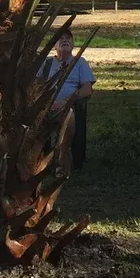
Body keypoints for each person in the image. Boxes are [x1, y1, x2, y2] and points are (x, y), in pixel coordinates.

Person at [42, 27, 94, 171]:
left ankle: (67, 160)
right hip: (46, 107)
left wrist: (66, 102)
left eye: (68, 39)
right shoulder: (46, 64)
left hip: (70, 107)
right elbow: (36, 86)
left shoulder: (79, 62)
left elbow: (87, 89)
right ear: (54, 45)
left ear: (72, 45)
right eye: (61, 38)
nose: (65, 40)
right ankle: (42, 158)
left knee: (70, 118)